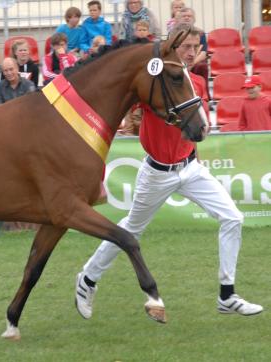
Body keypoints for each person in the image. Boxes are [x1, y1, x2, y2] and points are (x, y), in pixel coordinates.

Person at [74, 24, 263, 319]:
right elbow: (124, 99)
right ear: (174, 48)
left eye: (194, 46)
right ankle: (87, 278)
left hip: (190, 168)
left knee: (233, 217)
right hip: (157, 173)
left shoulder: (198, 83)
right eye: (185, 46)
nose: (190, 52)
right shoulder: (154, 78)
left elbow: (194, 128)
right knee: (132, 228)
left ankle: (227, 295)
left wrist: (196, 159)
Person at [176, 7, 209, 99]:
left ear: (194, 19)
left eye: (189, 16)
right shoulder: (174, 34)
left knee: (202, 66)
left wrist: (192, 62)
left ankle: (205, 97)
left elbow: (203, 53)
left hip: (195, 62)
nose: (187, 18)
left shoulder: (200, 33)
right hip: (181, 64)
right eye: (184, 16)